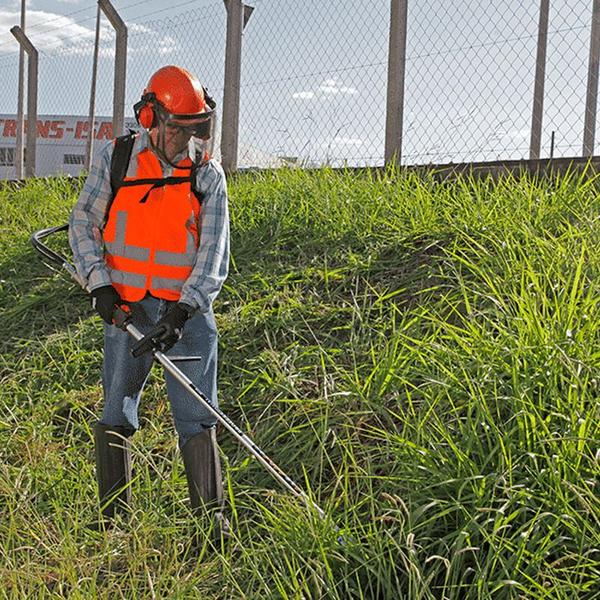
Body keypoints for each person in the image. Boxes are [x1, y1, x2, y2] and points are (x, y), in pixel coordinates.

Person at [68, 65, 230, 536]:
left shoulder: (206, 173)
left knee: (199, 414)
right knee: (116, 407)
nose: (187, 139)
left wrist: (183, 311)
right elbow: (83, 224)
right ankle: (114, 520)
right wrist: (99, 286)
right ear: (150, 117)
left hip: (187, 313)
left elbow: (213, 251)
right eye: (178, 129)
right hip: (127, 308)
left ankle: (211, 521)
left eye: (195, 128)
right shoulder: (116, 159)